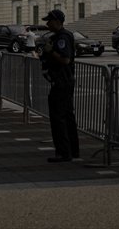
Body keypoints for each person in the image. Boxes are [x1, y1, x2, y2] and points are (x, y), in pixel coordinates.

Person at [39, 9, 80, 163]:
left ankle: (64, 152)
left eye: (49, 21)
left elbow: (65, 59)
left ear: (57, 21)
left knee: (59, 118)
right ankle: (72, 150)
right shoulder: (60, 36)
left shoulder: (63, 37)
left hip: (62, 82)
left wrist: (51, 52)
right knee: (68, 116)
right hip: (64, 81)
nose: (47, 23)